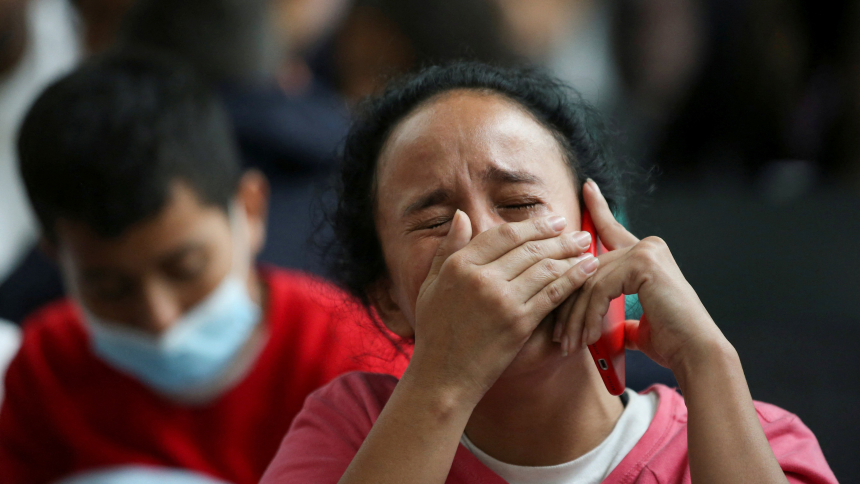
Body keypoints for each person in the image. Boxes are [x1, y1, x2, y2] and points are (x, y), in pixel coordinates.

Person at [260, 63, 836, 483]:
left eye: (518, 204)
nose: (486, 242)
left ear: (601, 232)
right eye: (435, 222)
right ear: (387, 299)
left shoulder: (747, 431)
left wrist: (708, 361)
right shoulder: (351, 429)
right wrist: (443, 381)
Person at [0, 51, 407, 484]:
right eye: (110, 288)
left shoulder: (361, 367)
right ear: (56, 259)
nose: (159, 316)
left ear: (250, 210)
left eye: (186, 269)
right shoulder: (49, 368)